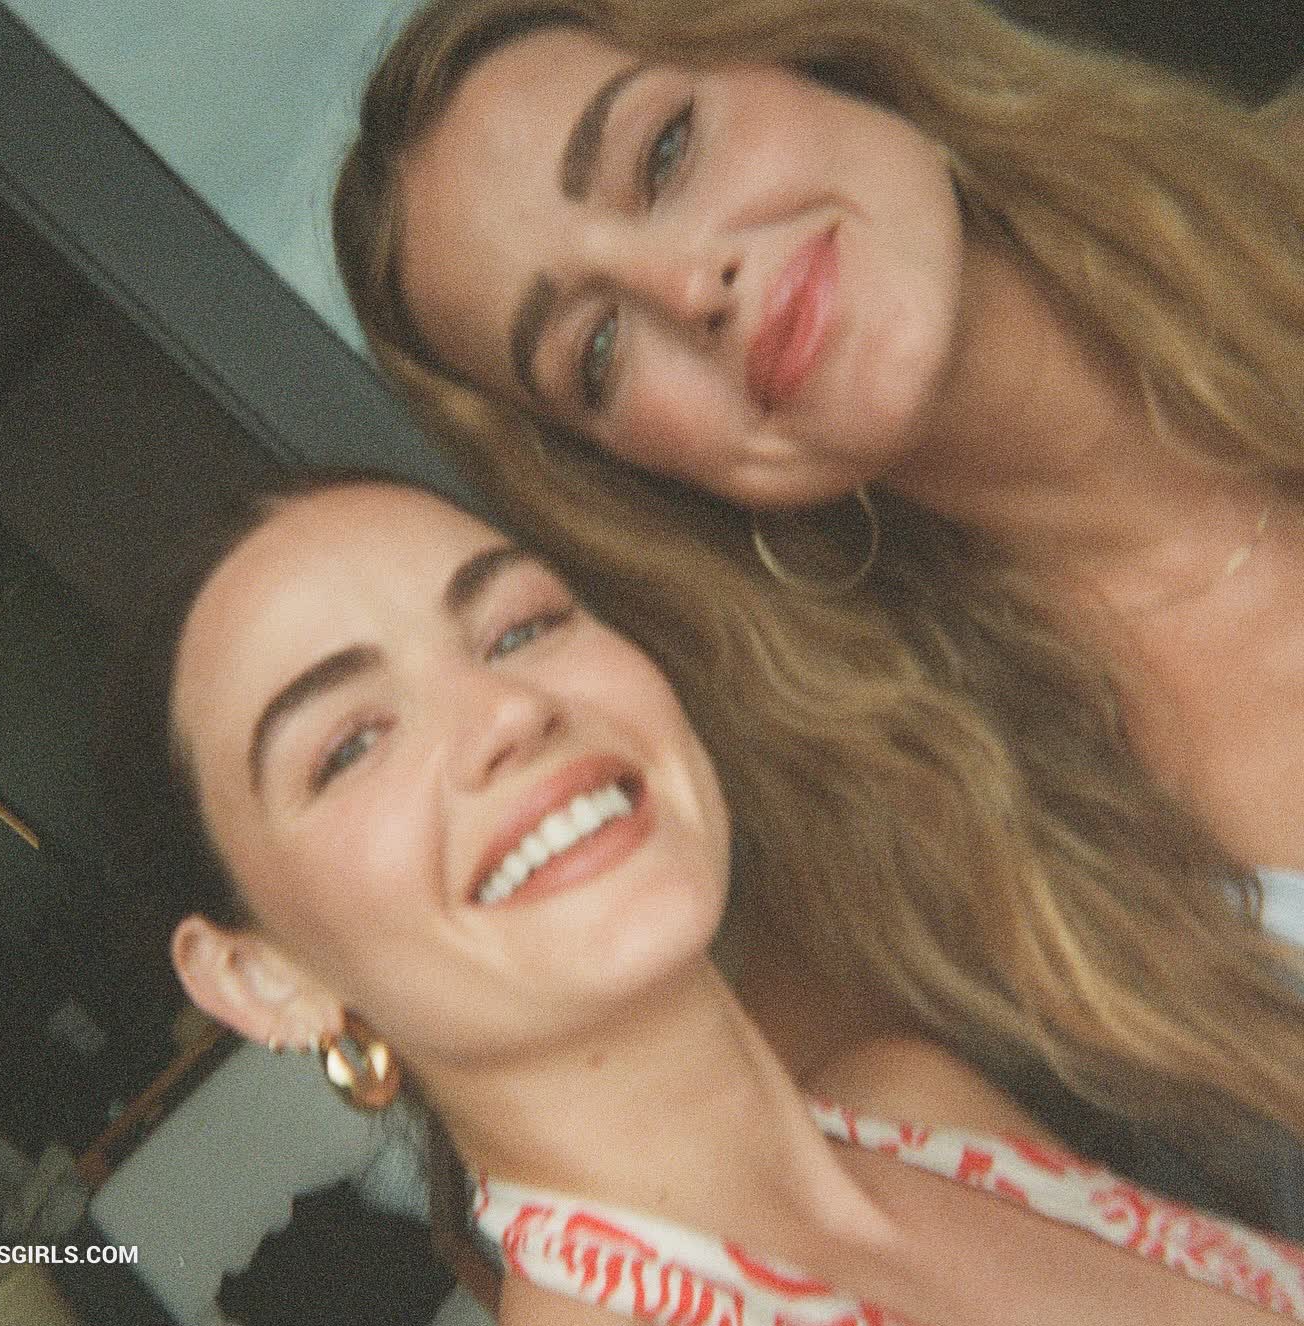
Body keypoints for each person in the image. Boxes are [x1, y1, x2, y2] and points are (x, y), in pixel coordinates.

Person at [103, 467, 1304, 1326]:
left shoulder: (914, 1108)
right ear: (266, 978)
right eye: (349, 745)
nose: (508, 709)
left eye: (522, 624)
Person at [333, 0, 1303, 878]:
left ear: (824, 50)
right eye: (597, 348)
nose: (687, 288)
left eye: (664, 154)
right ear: (636, 474)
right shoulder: (939, 853)